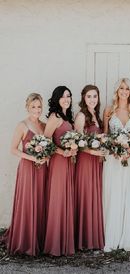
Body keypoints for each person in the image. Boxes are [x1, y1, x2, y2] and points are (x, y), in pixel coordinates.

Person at [103, 78, 130, 252]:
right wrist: (114, 149)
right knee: (114, 193)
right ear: (117, 91)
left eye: (127, 88)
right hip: (113, 160)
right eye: (121, 88)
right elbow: (105, 136)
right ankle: (112, 235)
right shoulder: (108, 111)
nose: (124, 91)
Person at [2, 93, 47, 256]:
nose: (36, 109)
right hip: (28, 169)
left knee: (40, 200)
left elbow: (48, 147)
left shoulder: (43, 125)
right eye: (33, 106)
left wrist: (44, 156)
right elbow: (13, 149)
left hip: (42, 169)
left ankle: (39, 238)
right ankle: (25, 240)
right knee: (28, 200)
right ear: (27, 107)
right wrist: (32, 157)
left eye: (39, 106)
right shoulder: (22, 125)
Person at [44, 86, 75, 256]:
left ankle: (64, 240)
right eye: (63, 97)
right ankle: (54, 244)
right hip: (58, 162)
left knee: (65, 198)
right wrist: (62, 152)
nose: (66, 99)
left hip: (69, 161)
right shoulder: (55, 117)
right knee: (58, 198)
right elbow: (46, 141)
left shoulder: (67, 117)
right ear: (56, 99)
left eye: (69, 96)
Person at [74, 85, 105, 250]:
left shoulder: (96, 115)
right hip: (86, 162)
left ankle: (93, 236)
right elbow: (78, 144)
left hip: (95, 161)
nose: (92, 99)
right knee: (86, 195)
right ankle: (83, 239)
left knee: (94, 195)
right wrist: (94, 152)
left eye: (95, 96)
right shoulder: (81, 116)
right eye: (89, 96)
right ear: (83, 98)